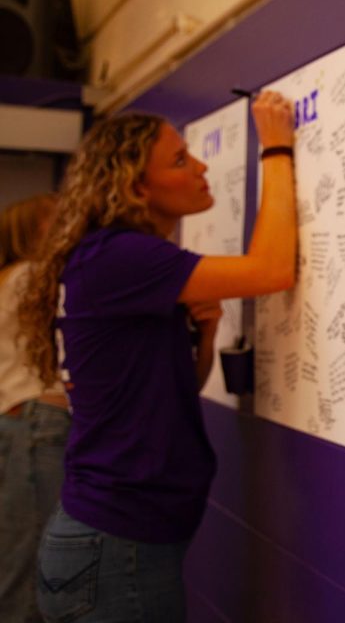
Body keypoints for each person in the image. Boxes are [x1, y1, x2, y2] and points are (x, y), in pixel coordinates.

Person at [18, 91, 298, 622]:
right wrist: (276, 149)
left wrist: (208, 332)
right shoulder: (120, 255)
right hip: (114, 548)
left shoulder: (116, 260)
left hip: (114, 542)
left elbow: (175, 390)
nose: (200, 166)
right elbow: (272, 271)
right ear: (136, 187)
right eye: (179, 160)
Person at [0, 193, 69, 623]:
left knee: (19, 555)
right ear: (33, 232)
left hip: (20, 423)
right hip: (35, 424)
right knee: (30, 567)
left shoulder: (9, 277)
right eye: (60, 221)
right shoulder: (32, 276)